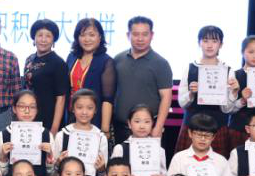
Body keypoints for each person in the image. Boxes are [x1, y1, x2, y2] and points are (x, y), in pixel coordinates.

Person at [111, 16, 173, 145]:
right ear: (128, 35)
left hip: (148, 129)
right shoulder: (118, 59)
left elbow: (166, 97)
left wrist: (158, 127)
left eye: (145, 34)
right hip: (120, 127)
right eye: (135, 34)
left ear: (152, 35)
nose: (140, 39)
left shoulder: (161, 63)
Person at [176, 25, 233, 155]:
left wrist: (231, 93)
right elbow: (182, 103)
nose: (210, 45)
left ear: (221, 44)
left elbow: (228, 109)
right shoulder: (190, 68)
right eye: (205, 41)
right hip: (192, 127)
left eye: (214, 41)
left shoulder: (228, 70)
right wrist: (191, 93)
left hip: (217, 127)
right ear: (199, 43)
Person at [0, 89, 54, 176]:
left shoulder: (46, 134)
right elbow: (2, 173)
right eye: (22, 106)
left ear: (37, 110)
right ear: (14, 108)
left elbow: (50, 172)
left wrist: (49, 160)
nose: (27, 111)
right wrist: (3, 157)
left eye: (32, 107)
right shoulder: (3, 135)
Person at [110, 104, 168, 176]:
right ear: (129, 123)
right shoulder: (120, 148)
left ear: (152, 124)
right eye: (137, 121)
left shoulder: (159, 150)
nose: (142, 126)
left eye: (147, 122)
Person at [53, 89, 108, 176]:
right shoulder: (62, 135)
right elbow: (53, 171)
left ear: (95, 110)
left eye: (89, 108)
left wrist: (101, 168)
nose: (84, 112)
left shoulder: (100, 137)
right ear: (73, 108)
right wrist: (58, 162)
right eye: (79, 107)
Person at [64, 18, 115, 134]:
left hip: (93, 117)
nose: (87, 39)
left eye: (91, 35)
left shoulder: (106, 61)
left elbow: (107, 99)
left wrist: (104, 129)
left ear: (100, 37)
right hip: (71, 115)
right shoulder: (72, 57)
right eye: (82, 35)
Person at [223, 35, 255, 152]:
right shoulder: (234, 75)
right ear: (242, 52)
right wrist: (243, 100)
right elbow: (227, 110)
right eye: (251, 52)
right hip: (238, 130)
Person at [23, 18, 69, 134]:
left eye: (48, 36)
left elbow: (61, 98)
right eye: (40, 35)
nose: (43, 40)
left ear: (53, 40)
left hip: (48, 118)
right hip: (28, 115)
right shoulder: (29, 59)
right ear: (34, 38)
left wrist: (54, 128)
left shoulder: (58, 63)